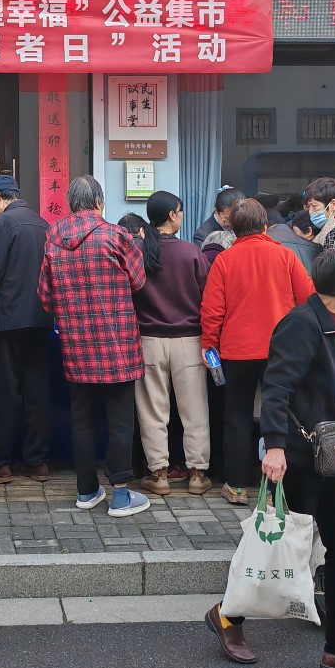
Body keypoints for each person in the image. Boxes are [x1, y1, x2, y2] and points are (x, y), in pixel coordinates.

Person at [206, 247, 335, 668]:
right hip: (297, 458)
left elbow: (332, 392)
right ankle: (227, 615)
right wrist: (275, 447)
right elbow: (276, 388)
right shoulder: (301, 325)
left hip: (326, 458)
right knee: (274, 547)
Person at [36, 175, 151, 517]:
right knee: (120, 420)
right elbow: (139, 280)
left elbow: (45, 297)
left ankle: (86, 490)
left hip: (76, 344)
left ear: (71, 204)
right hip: (117, 343)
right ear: (99, 203)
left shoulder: (52, 240)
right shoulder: (116, 236)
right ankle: (120, 495)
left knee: (82, 419)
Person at [200, 198, 315, 505]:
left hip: (237, 351)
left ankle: (237, 486)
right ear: (265, 226)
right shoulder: (285, 256)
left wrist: (209, 345)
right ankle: (277, 488)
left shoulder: (225, 260)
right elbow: (307, 297)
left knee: (236, 414)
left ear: (233, 228)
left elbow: (212, 310)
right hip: (281, 349)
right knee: (280, 413)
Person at [132, 190, 212, 498]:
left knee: (153, 412)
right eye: (179, 210)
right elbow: (207, 296)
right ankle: (197, 475)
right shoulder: (191, 253)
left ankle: (159, 474)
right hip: (188, 342)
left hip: (148, 341)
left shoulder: (137, 252)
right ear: (172, 216)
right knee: (195, 411)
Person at [0, 173, 53, 483]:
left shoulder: (2, 223)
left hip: (8, 319)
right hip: (41, 318)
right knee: (37, 391)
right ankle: (37, 462)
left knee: (5, 391)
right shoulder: (43, 223)